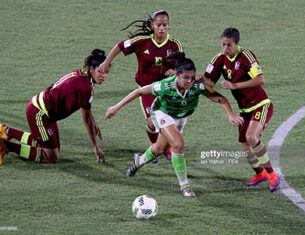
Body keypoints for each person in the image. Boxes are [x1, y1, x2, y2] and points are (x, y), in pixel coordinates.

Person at [105, 53, 243, 197]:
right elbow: (139, 91)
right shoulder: (165, 86)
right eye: (185, 77)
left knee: (159, 149)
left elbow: (220, 98)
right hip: (162, 113)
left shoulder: (197, 86)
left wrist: (230, 114)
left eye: (192, 77)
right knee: (178, 144)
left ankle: (138, 161)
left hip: (181, 117)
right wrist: (116, 107)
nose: (189, 81)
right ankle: (185, 185)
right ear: (177, 75)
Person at [198, 27, 280, 192]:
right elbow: (211, 83)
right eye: (223, 44)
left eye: (229, 45)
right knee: (245, 148)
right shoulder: (219, 59)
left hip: (260, 104)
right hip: (245, 110)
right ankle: (260, 174)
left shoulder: (246, 56)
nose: (225, 48)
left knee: (251, 137)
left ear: (237, 44)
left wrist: (234, 85)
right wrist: (201, 79)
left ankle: (272, 175)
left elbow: (260, 79)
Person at [98, 10, 183, 162]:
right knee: (151, 122)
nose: (162, 28)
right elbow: (120, 46)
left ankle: (166, 149)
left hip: (166, 89)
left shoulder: (174, 45)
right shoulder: (142, 41)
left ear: (169, 25)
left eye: (165, 25)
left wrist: (176, 70)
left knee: (167, 121)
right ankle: (154, 146)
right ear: (153, 25)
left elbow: (184, 64)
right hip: (147, 89)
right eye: (158, 25)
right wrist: (106, 62)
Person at [0, 49, 108, 164]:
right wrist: (96, 147)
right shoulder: (86, 87)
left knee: (52, 148)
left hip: (46, 112)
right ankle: (6, 146)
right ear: (91, 69)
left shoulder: (83, 75)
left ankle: (7, 131)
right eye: (100, 72)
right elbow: (86, 119)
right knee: (51, 157)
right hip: (39, 113)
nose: (103, 76)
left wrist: (93, 121)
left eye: (106, 72)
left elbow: (85, 106)